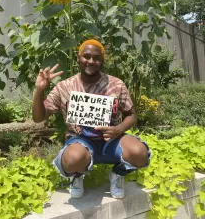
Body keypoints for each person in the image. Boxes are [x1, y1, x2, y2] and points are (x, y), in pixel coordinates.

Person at [32, 39, 151, 199]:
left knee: (139, 153)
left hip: (112, 141)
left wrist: (118, 129)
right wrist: (39, 91)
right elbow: (39, 117)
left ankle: (118, 173)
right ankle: (76, 175)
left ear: (102, 61)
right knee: (73, 159)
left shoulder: (115, 84)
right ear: (78, 59)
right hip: (80, 141)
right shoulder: (65, 87)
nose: (91, 61)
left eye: (96, 58)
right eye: (86, 56)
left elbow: (131, 114)